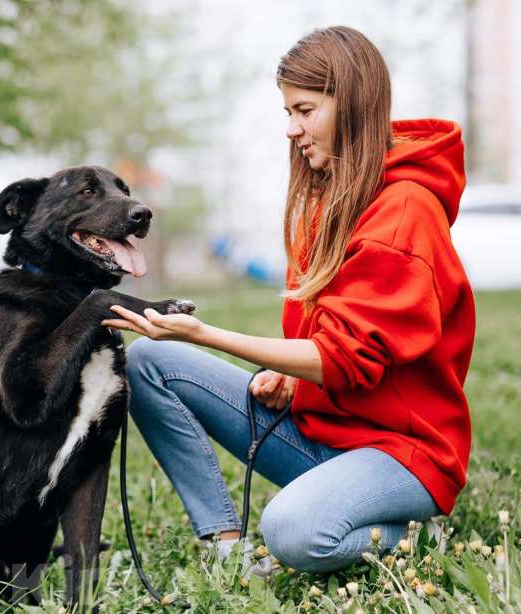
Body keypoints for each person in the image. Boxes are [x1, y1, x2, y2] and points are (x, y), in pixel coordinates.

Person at [101, 25, 475, 574]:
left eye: (305, 110)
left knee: (293, 533)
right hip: (324, 435)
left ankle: (404, 537)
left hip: (402, 457)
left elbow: (351, 360)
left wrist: (206, 335)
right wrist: (295, 377)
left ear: (352, 103)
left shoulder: (404, 213)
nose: (292, 130)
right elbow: (330, 342)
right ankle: (228, 553)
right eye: (287, 113)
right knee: (150, 361)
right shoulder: (333, 202)